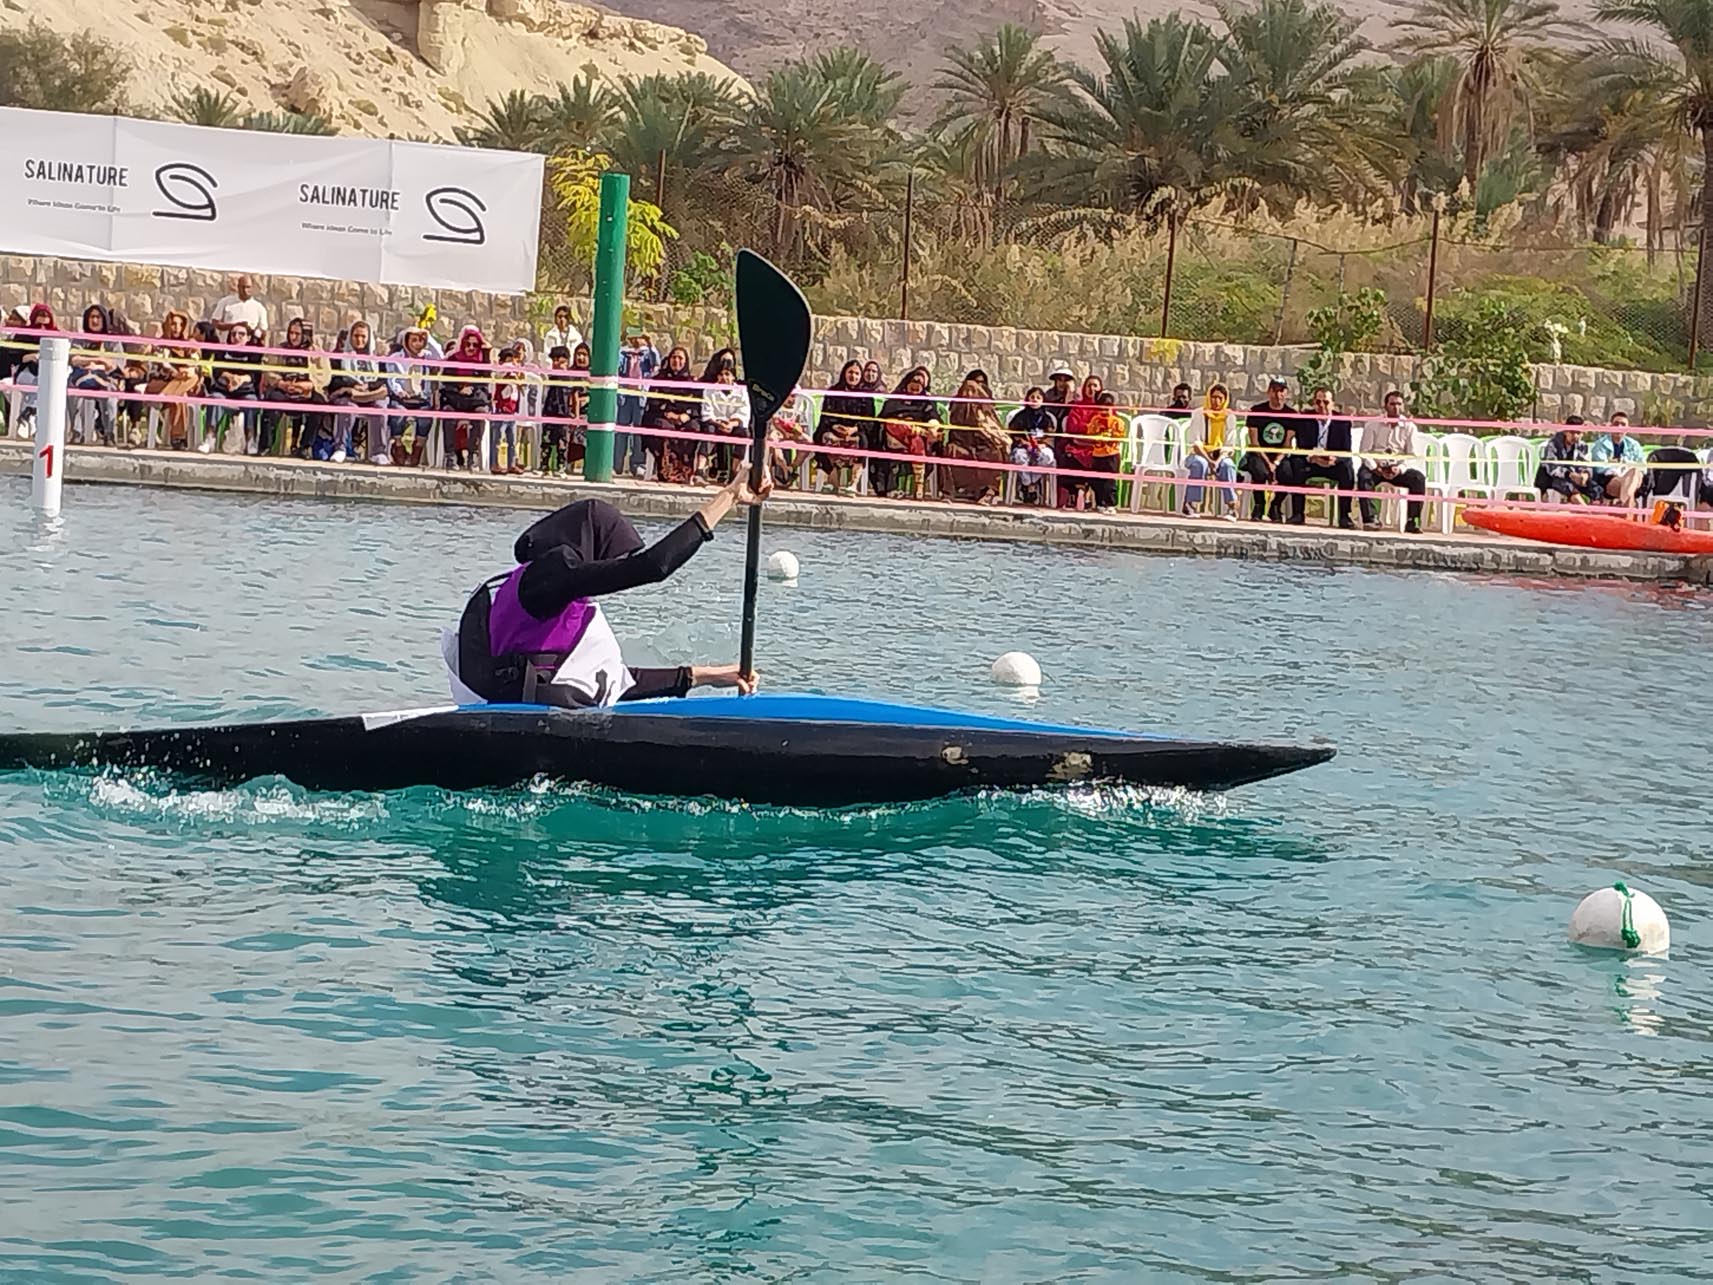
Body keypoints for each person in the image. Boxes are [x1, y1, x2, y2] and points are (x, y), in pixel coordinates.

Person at [444, 476, 770, 709]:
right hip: (525, 720)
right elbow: (654, 566)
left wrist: (711, 676)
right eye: (610, 557)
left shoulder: (555, 595)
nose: (609, 567)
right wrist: (729, 496)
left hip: (528, 711)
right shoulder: (547, 575)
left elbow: (615, 682)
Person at [1283, 386, 1358, 528]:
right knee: (1296, 463)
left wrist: (1334, 459)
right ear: (1314, 403)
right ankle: (1298, 513)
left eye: (1326, 402)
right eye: (1318, 402)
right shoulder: (1305, 419)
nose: (1322, 405)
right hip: (1311, 461)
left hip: (1332, 463)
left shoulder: (1343, 422)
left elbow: (1346, 450)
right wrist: (1313, 458)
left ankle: (1344, 516)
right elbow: (1301, 446)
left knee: (1347, 468)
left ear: (1333, 404)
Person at [1356, 389, 1428, 533]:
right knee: (1364, 476)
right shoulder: (1372, 425)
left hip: (1397, 468)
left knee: (1418, 479)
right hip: (1377, 467)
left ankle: (1412, 521)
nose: (1396, 407)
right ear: (1385, 406)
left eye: (1399, 404)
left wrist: (1399, 469)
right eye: (1392, 404)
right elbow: (1364, 452)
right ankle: (1370, 519)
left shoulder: (1409, 427)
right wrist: (1375, 467)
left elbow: (1411, 455)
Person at [262, 319, 329, 457]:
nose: (293, 337)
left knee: (319, 404)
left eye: (297, 334)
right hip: (284, 389)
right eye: (291, 333)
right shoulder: (280, 349)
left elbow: (325, 374)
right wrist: (281, 383)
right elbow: (268, 370)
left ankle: (305, 446)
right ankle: (266, 446)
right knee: (272, 401)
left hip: (306, 391)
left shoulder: (316, 352)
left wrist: (310, 385)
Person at [940, 374, 1011, 504]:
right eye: (967, 390)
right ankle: (949, 493)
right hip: (962, 442)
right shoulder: (958, 405)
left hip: (983, 444)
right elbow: (956, 428)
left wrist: (986, 427)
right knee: (951, 451)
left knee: (994, 453)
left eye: (978, 385)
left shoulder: (986, 406)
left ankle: (988, 492)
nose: (969, 393)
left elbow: (995, 430)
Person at [327, 319, 390, 463]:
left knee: (380, 408)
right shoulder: (339, 358)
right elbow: (335, 380)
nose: (359, 340)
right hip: (350, 396)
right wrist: (354, 385)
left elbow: (382, 379)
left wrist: (368, 386)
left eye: (363, 336)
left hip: (371, 396)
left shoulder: (377, 360)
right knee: (346, 408)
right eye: (356, 336)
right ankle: (340, 448)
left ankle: (378, 452)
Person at [877, 367, 941, 500]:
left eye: (920, 383)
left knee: (916, 440)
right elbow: (884, 419)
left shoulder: (926, 402)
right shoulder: (895, 399)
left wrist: (933, 426)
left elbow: (933, 416)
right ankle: (917, 431)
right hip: (895, 438)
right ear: (907, 382)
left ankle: (919, 485)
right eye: (914, 381)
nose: (916, 385)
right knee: (893, 423)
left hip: (915, 441)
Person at [1180, 383, 1240, 521]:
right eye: (1213, 397)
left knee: (1228, 465)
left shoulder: (1229, 417)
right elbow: (1196, 443)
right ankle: (1190, 504)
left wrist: (1216, 461)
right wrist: (1209, 460)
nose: (1216, 401)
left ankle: (1232, 506)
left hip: (1220, 456)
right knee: (1199, 464)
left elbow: (1229, 445)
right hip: (1199, 453)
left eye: (1220, 398)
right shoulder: (1199, 414)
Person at [145, 310, 202, 450]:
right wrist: (174, 373)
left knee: (193, 377)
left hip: (183, 382)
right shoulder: (160, 344)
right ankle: (178, 438)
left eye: (180, 325)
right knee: (180, 396)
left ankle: (165, 396)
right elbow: (160, 365)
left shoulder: (189, 345)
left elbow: (196, 362)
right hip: (160, 383)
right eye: (173, 324)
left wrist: (189, 370)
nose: (177, 328)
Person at [1242, 377, 1297, 522]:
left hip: (1279, 456)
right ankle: (1259, 505)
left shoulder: (1292, 414)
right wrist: (1268, 463)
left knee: (1288, 473)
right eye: (1275, 390)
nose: (1278, 395)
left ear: (1286, 393)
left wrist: (1276, 462)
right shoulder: (1256, 411)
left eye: (1281, 391)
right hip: (1259, 454)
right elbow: (1254, 442)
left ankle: (1276, 505)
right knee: (1258, 470)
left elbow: (1287, 444)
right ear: (1269, 392)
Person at [68, 304, 123, 446]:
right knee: (71, 390)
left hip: (105, 378)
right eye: (92, 317)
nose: (94, 320)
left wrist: (97, 366)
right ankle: (77, 432)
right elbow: (74, 359)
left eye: (98, 317)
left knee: (110, 393)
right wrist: (98, 359)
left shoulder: (112, 341)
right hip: (81, 378)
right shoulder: (80, 339)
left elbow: (114, 364)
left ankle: (109, 434)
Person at [207, 319, 263, 454]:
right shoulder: (222, 351)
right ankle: (210, 438)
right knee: (214, 398)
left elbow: (255, 375)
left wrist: (240, 379)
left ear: (248, 337)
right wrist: (230, 377)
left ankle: (251, 441)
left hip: (245, 392)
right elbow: (217, 370)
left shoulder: (254, 353)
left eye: (241, 334)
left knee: (251, 402)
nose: (236, 337)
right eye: (233, 334)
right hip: (224, 390)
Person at [440, 325, 492, 470]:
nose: (471, 348)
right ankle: (450, 456)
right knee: (448, 413)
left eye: (475, 345)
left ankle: (472, 455)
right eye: (468, 344)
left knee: (481, 413)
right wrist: (459, 389)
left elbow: (486, 380)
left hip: (474, 399)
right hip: (454, 399)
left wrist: (486, 353)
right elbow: (445, 382)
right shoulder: (453, 358)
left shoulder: (482, 359)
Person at [816, 359, 870, 495]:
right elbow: (826, 416)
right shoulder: (833, 392)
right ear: (844, 373)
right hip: (834, 428)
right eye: (850, 372)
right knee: (823, 437)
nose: (853, 376)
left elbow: (869, 420)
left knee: (862, 440)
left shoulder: (866, 395)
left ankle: (853, 484)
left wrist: (853, 429)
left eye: (857, 374)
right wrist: (836, 426)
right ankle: (833, 481)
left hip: (856, 431)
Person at [645, 345, 697, 484]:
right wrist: (668, 413)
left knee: (694, 428)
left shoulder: (692, 382)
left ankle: (685, 471)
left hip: (684, 418)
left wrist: (686, 415)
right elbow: (653, 402)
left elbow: (696, 405)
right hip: (663, 416)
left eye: (680, 358)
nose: (676, 361)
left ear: (686, 361)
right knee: (663, 428)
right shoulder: (659, 379)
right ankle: (667, 470)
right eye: (674, 357)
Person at [384, 325, 434, 466]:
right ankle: (398, 446)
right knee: (397, 415)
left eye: (420, 340)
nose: (417, 344)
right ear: (406, 341)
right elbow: (392, 378)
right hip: (402, 398)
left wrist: (428, 337)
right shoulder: (395, 358)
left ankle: (417, 448)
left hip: (421, 399)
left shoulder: (427, 357)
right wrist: (399, 391)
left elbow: (441, 357)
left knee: (425, 418)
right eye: (414, 340)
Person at [697, 348, 749, 483]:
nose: (724, 378)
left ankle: (734, 471)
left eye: (727, 374)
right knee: (708, 431)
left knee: (743, 433)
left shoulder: (742, 391)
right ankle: (699, 470)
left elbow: (744, 413)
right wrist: (718, 423)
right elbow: (707, 413)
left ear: (733, 376)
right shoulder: (709, 390)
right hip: (715, 424)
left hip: (733, 424)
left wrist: (731, 423)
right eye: (721, 374)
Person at [615, 330, 660, 478]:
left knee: (639, 432)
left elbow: (656, 363)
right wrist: (620, 342)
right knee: (621, 431)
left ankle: (638, 465)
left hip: (641, 396)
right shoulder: (624, 352)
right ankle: (616, 464)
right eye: (634, 337)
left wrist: (650, 343)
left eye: (640, 337)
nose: (636, 340)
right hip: (625, 395)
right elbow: (615, 363)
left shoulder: (647, 354)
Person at [1058, 375, 1104, 509]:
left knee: (1103, 460)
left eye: (1095, 385)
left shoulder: (1104, 408)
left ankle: (1094, 497)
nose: (1092, 389)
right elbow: (1072, 427)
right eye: (1089, 385)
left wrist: (1087, 429)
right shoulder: (1078, 407)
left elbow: (1107, 427)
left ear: (1100, 388)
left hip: (1097, 447)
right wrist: (1091, 428)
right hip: (1078, 445)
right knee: (1070, 457)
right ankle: (1078, 491)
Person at [1008, 388, 1057, 506]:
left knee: (1047, 456)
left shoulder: (1047, 418)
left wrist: (1042, 444)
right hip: (1023, 446)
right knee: (1019, 457)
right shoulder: (1020, 417)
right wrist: (1025, 443)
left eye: (1038, 398)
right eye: (1032, 397)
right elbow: (1013, 434)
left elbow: (1050, 435)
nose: (1035, 400)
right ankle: (1027, 484)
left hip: (1041, 446)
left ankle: (1033, 482)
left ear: (1043, 401)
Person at [1589, 412, 1647, 509]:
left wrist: (1626, 471)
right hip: (1611, 480)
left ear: (1628, 428)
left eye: (1623, 424)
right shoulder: (1600, 445)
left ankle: (1623, 506)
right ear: (1611, 426)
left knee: (1634, 473)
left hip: (1634, 479)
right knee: (1629, 489)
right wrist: (1621, 472)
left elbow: (1643, 467)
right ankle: (1626, 508)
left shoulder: (1634, 445)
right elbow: (1600, 468)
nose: (1619, 427)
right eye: (1616, 424)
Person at [1535, 416, 1598, 504]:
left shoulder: (1583, 446)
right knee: (1570, 488)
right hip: (1553, 478)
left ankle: (1599, 507)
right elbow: (1552, 468)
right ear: (1565, 431)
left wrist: (1585, 474)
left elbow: (1586, 464)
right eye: (1572, 432)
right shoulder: (1553, 445)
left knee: (1596, 489)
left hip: (1575, 477)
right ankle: (1587, 510)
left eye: (1578, 433)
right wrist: (1570, 475)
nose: (1575, 436)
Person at [539, 345, 573, 475]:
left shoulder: (570, 377)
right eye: (554, 360)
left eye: (559, 360)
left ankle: (561, 467)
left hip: (563, 414)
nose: (556, 363)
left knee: (562, 442)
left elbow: (573, 395)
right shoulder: (552, 377)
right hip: (550, 412)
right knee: (546, 440)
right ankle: (544, 466)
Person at [209, 275, 268, 343]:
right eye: (243, 287)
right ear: (238, 287)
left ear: (252, 288)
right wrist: (234, 326)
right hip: (226, 345)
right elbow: (215, 323)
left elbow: (263, 331)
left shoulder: (259, 308)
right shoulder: (225, 302)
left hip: (249, 346)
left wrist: (251, 331)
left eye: (248, 287)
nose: (245, 290)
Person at [1043, 362, 1076, 438]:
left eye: (1065, 380)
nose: (1062, 383)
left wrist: (1069, 394)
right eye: (1060, 380)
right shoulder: (1049, 394)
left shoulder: (1074, 395)